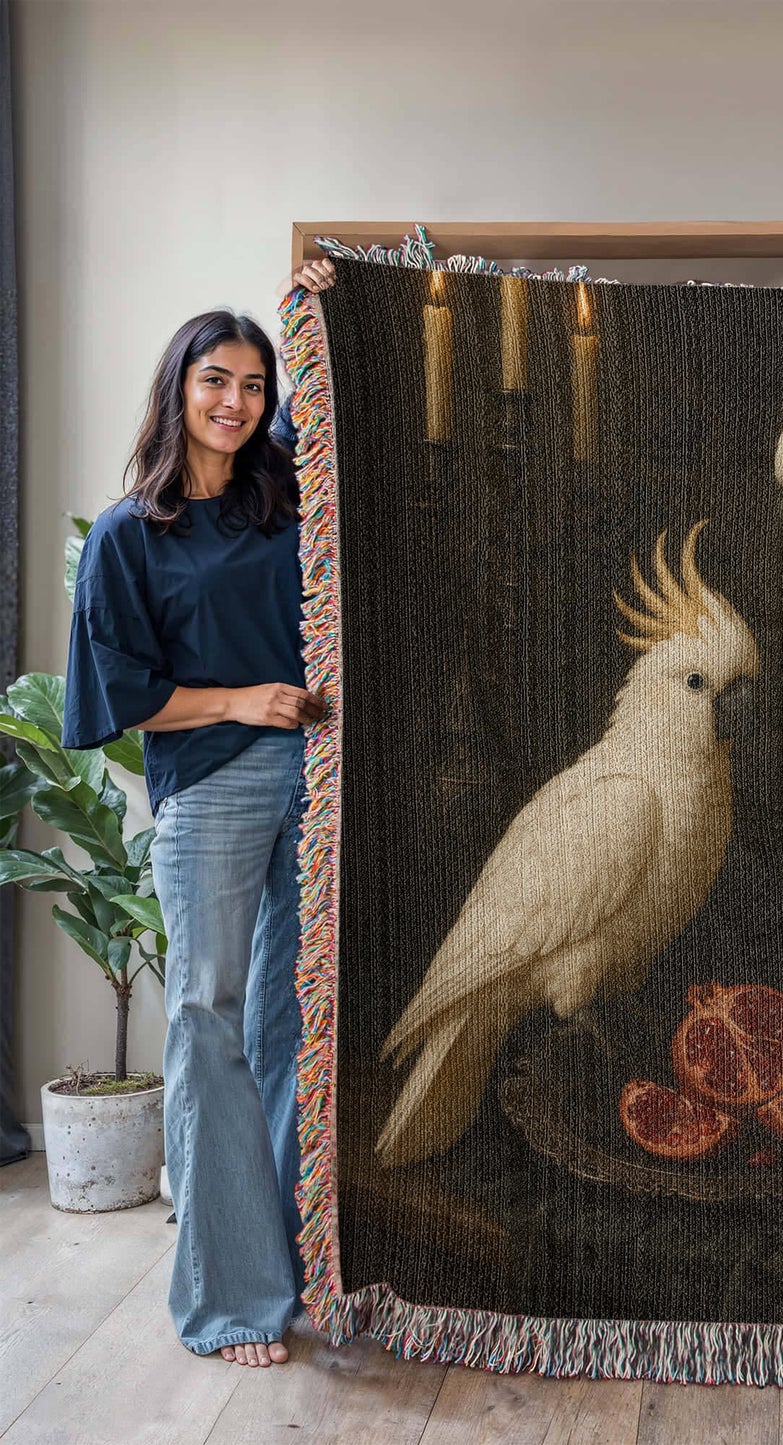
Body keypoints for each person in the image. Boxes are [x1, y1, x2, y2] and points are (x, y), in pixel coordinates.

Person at [61, 261, 336, 1367]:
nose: (235, 401)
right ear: (177, 389)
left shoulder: (290, 503)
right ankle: (228, 1299)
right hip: (213, 789)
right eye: (214, 381)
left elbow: (341, 421)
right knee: (206, 1020)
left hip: (316, 784)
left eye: (254, 384)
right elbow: (114, 691)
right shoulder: (132, 533)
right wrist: (240, 700)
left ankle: (281, 1264)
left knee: (285, 1026)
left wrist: (311, 315)